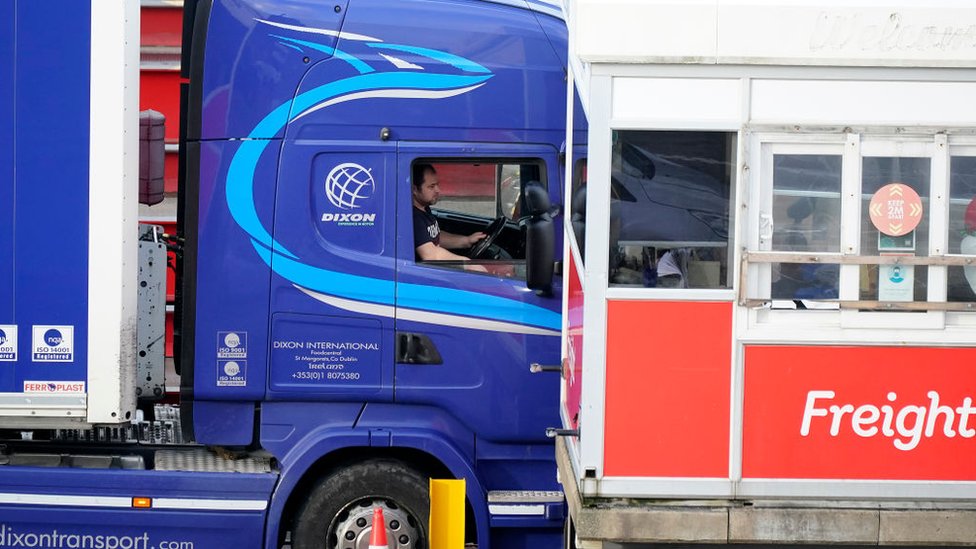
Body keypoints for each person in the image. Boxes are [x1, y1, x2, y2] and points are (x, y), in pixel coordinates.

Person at [412, 163, 487, 266]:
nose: (438, 190)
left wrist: (466, 241)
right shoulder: (413, 218)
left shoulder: (424, 208)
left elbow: (434, 237)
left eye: (437, 185)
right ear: (414, 189)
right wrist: (469, 265)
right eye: (431, 186)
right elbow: (431, 255)